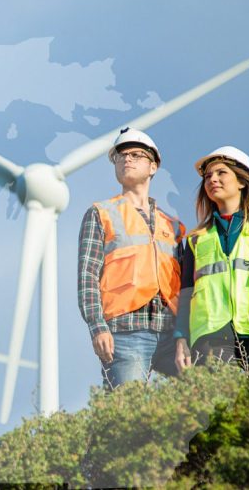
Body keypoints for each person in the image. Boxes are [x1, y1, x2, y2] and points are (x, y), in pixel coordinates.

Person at [78, 128, 185, 388]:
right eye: (120, 155)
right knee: (128, 416)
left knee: (205, 401)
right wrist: (97, 327)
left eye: (136, 154)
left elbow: (187, 286)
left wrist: (184, 335)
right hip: (125, 331)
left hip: (172, 334)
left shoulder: (173, 226)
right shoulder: (100, 213)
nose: (127, 159)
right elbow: (87, 276)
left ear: (153, 167)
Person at [174, 146, 249, 372]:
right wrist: (181, 338)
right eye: (208, 176)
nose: (213, 179)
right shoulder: (195, 239)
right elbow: (186, 293)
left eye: (221, 173)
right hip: (210, 334)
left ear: (242, 181)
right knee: (217, 403)